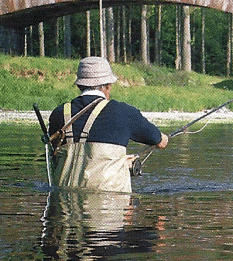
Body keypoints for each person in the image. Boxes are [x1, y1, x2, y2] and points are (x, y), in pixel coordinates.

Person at [48, 56, 168, 193]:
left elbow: (77, 161)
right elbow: (158, 140)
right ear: (107, 86)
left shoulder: (58, 114)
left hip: (63, 203)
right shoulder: (123, 112)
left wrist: (121, 162)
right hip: (110, 204)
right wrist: (164, 138)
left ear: (79, 85)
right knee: (130, 212)